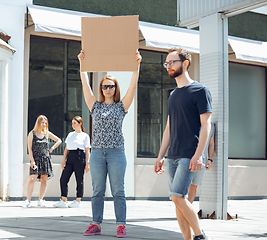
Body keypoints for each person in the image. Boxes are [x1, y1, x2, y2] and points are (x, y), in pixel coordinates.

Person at [78, 49, 142, 238]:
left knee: (118, 191)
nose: (108, 89)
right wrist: (82, 64)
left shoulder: (121, 106)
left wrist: (137, 65)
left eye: (111, 86)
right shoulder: (94, 105)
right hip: (97, 153)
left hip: (116, 153)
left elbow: (132, 86)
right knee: (98, 190)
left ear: (115, 88)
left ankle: (121, 225)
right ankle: (96, 224)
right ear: (101, 88)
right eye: (105, 86)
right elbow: (84, 84)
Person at [154, 48, 212, 240]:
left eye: (172, 62)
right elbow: (169, 128)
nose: (168, 66)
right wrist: (161, 155)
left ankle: (200, 235)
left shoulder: (200, 91)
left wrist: (199, 155)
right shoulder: (172, 94)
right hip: (173, 156)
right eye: (167, 63)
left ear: (185, 63)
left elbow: (206, 125)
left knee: (177, 196)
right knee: (178, 201)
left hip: (190, 153)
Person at [21, 115, 62, 208]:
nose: (44, 124)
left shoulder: (46, 133)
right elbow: (30, 148)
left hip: (45, 159)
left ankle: (41, 200)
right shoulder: (32, 133)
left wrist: (51, 149)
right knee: (32, 178)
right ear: (38, 123)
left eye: (45, 123)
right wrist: (32, 161)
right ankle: (28, 200)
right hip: (36, 159)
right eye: (42, 122)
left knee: (44, 180)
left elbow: (58, 140)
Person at [53, 116, 91, 208]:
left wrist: (87, 163)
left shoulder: (85, 136)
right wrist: (63, 161)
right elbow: (66, 149)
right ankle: (63, 199)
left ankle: (78, 200)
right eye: (72, 123)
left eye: (75, 123)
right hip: (70, 158)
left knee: (79, 180)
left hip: (79, 157)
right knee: (63, 179)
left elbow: (87, 150)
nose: (73, 125)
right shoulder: (70, 134)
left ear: (80, 123)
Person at [188, 123, 215, 204]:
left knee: (193, 186)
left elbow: (211, 143)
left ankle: (186, 211)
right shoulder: (190, 120)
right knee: (184, 186)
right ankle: (182, 212)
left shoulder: (211, 125)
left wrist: (210, 159)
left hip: (201, 161)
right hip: (186, 158)